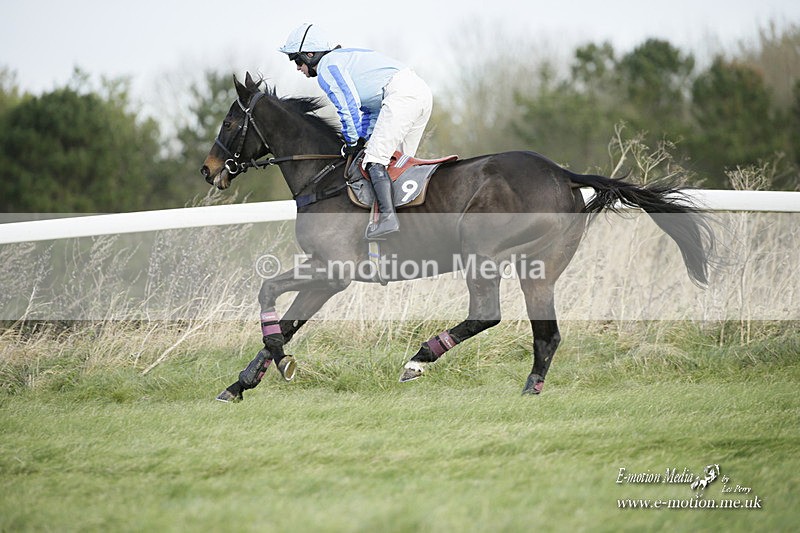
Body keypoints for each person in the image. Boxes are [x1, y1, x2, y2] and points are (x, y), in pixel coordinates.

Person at [279, 23, 433, 239]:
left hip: (401, 95)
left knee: (374, 160)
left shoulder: (327, 67)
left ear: (310, 54)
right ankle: (408, 225)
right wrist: (361, 138)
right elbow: (371, 111)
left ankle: (388, 220)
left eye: (296, 60)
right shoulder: (343, 58)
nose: (297, 67)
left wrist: (352, 141)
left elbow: (347, 105)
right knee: (398, 165)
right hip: (419, 92)